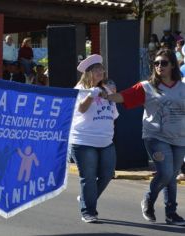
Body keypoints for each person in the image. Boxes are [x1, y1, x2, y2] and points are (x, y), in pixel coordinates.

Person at [102, 49, 185, 226]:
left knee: (172, 176)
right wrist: (106, 96)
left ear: (172, 65)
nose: (159, 66)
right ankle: (148, 199)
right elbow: (123, 96)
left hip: (179, 138)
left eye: (163, 63)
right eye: (156, 63)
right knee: (165, 172)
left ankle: (171, 213)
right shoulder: (147, 86)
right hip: (155, 136)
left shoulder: (182, 87)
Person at [69, 54, 118, 223]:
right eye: (97, 69)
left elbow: (114, 114)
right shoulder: (80, 89)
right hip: (84, 141)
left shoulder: (107, 89)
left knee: (107, 173)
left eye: (102, 69)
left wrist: (109, 96)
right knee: (88, 177)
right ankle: (88, 211)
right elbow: (81, 110)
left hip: (106, 141)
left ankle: (85, 198)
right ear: (88, 73)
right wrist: (91, 96)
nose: (101, 72)